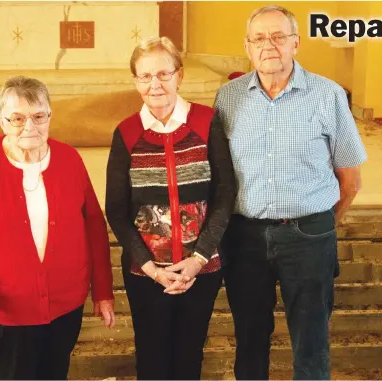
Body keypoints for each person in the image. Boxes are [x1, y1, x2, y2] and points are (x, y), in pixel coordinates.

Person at [214, 5, 367, 380]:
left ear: (296, 43)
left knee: (311, 340)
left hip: (308, 235)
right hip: (244, 236)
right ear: (247, 47)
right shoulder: (227, 98)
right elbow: (217, 173)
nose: (270, 45)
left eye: (279, 36)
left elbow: (350, 180)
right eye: (260, 38)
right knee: (249, 338)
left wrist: (323, 225)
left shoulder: (327, 95)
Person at [0, 75, 115, 380]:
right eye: (17, 118)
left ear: (50, 117)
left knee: (55, 373)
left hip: (66, 302)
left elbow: (95, 227)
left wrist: (102, 291)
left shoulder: (69, 159)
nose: (29, 127)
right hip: (10, 304)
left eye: (38, 117)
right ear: (1, 121)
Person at [105, 36, 236, 380]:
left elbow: (225, 193)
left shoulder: (207, 122)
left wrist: (198, 259)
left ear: (180, 75)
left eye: (164, 74)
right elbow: (116, 210)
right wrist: (151, 268)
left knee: (189, 355)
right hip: (147, 273)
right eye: (145, 76)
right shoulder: (127, 132)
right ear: (135, 81)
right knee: (150, 357)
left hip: (201, 269)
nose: (155, 84)